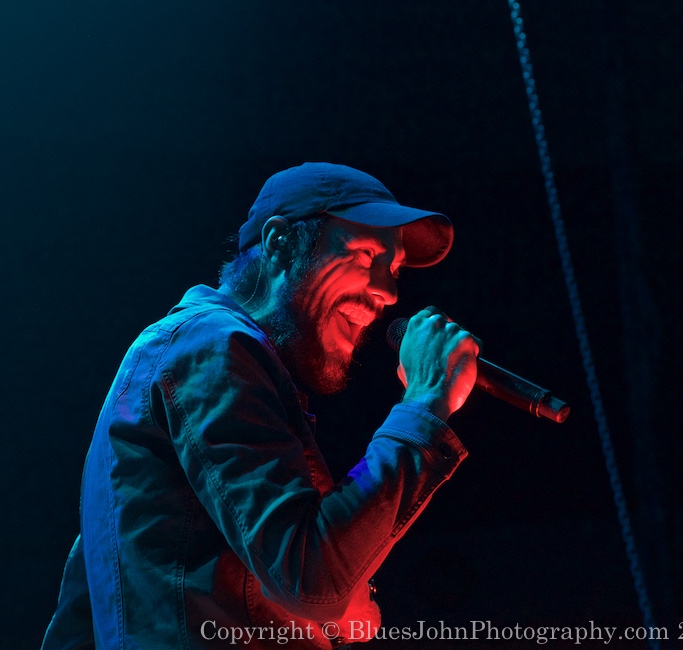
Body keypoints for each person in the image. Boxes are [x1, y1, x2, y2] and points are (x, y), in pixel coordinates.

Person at [42, 162, 480, 649]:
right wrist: (425, 402)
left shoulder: (193, 357)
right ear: (279, 243)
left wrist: (339, 604)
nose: (389, 291)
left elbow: (87, 610)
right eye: (364, 253)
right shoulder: (211, 345)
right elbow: (310, 581)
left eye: (394, 268)